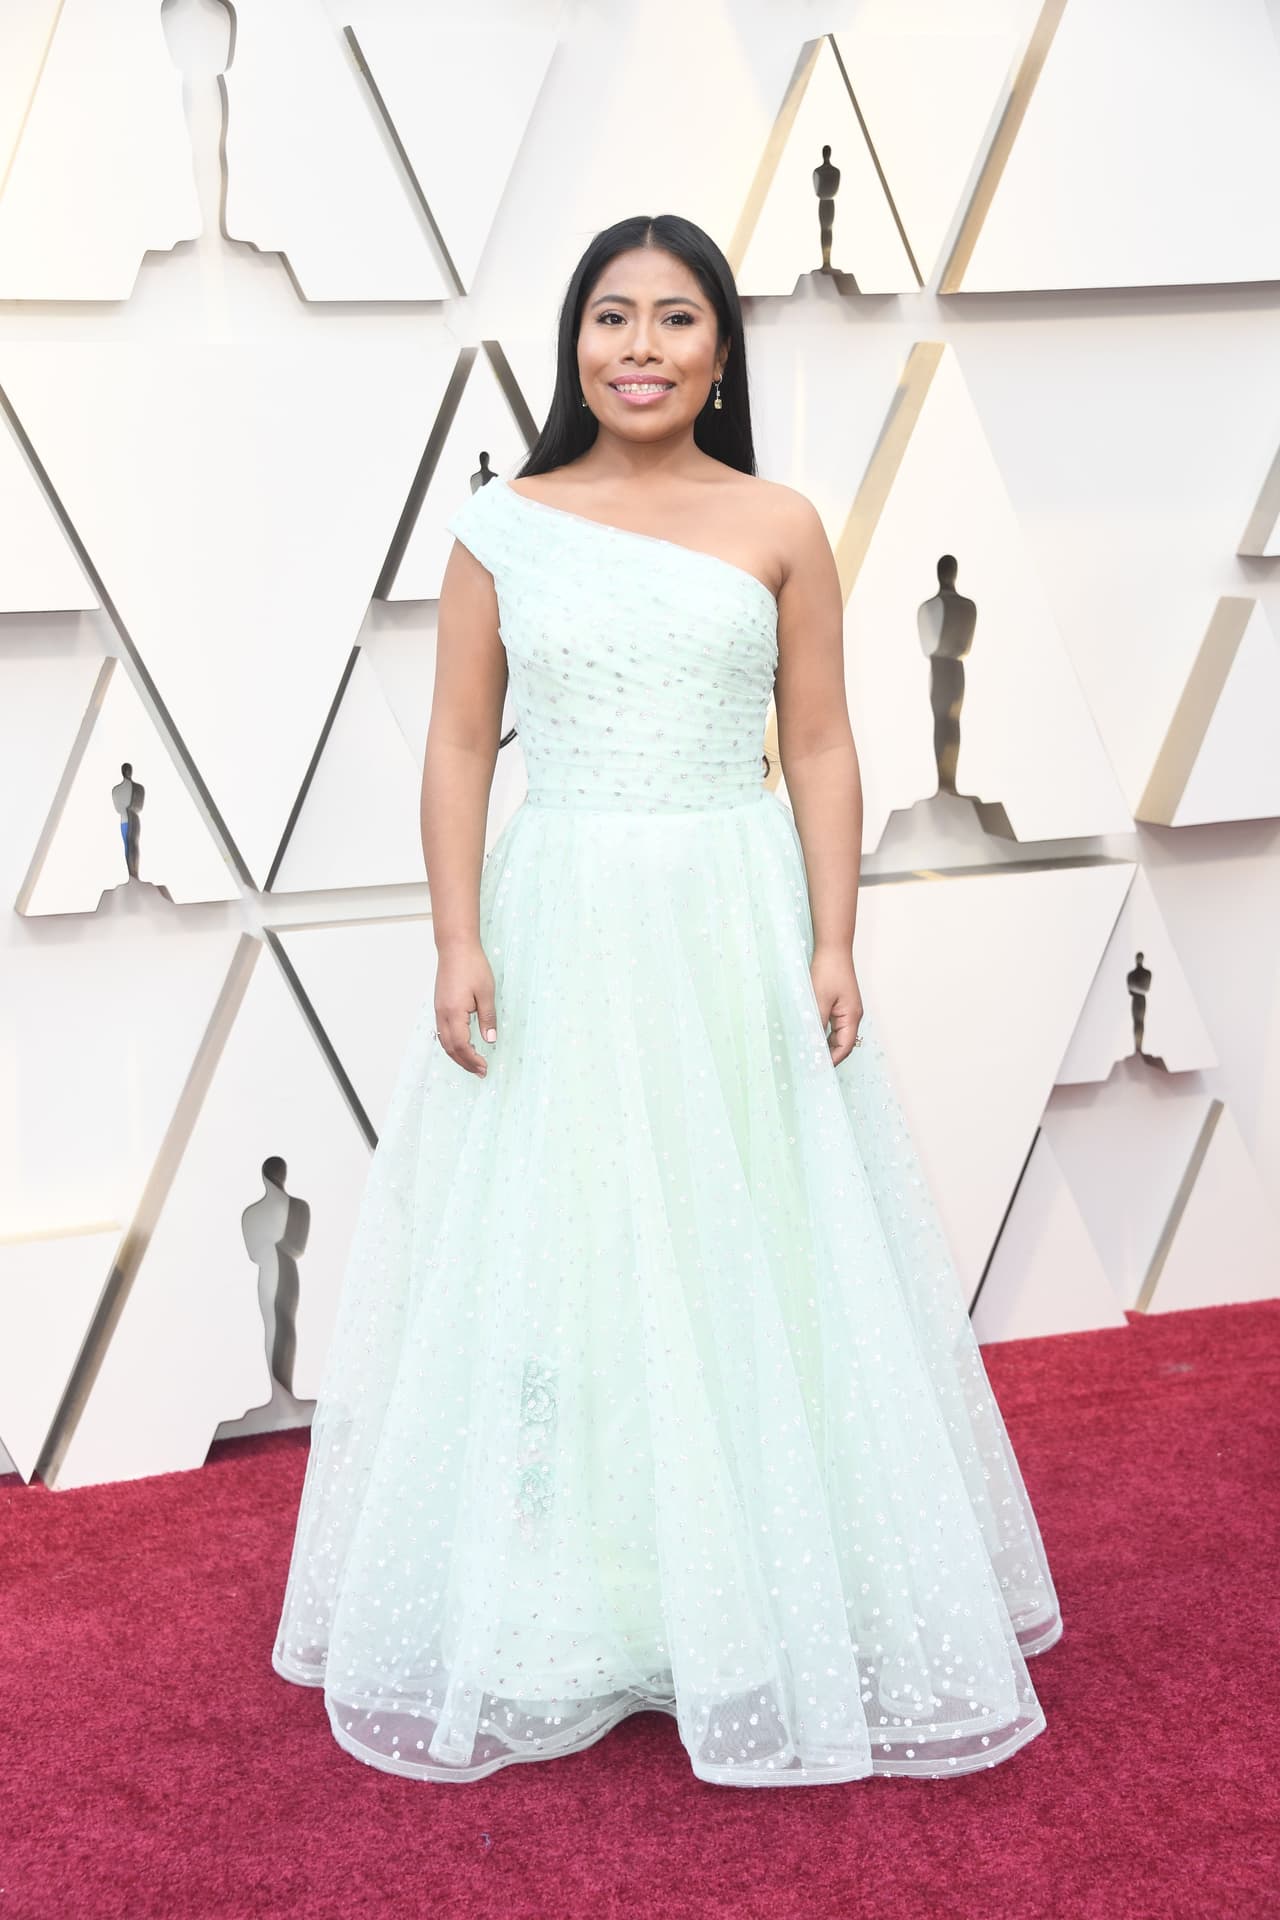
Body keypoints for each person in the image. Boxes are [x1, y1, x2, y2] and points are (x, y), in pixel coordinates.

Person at [272, 212, 1063, 1787]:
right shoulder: (505, 526)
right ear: (573, 344)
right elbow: (452, 746)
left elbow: (825, 742)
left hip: (729, 907)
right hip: (561, 911)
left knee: (747, 1221)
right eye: (611, 317)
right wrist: (453, 935)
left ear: (721, 350)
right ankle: (580, 1591)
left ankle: (766, 1570)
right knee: (563, 1235)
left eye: (677, 319)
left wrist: (836, 937)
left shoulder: (780, 521)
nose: (640, 346)